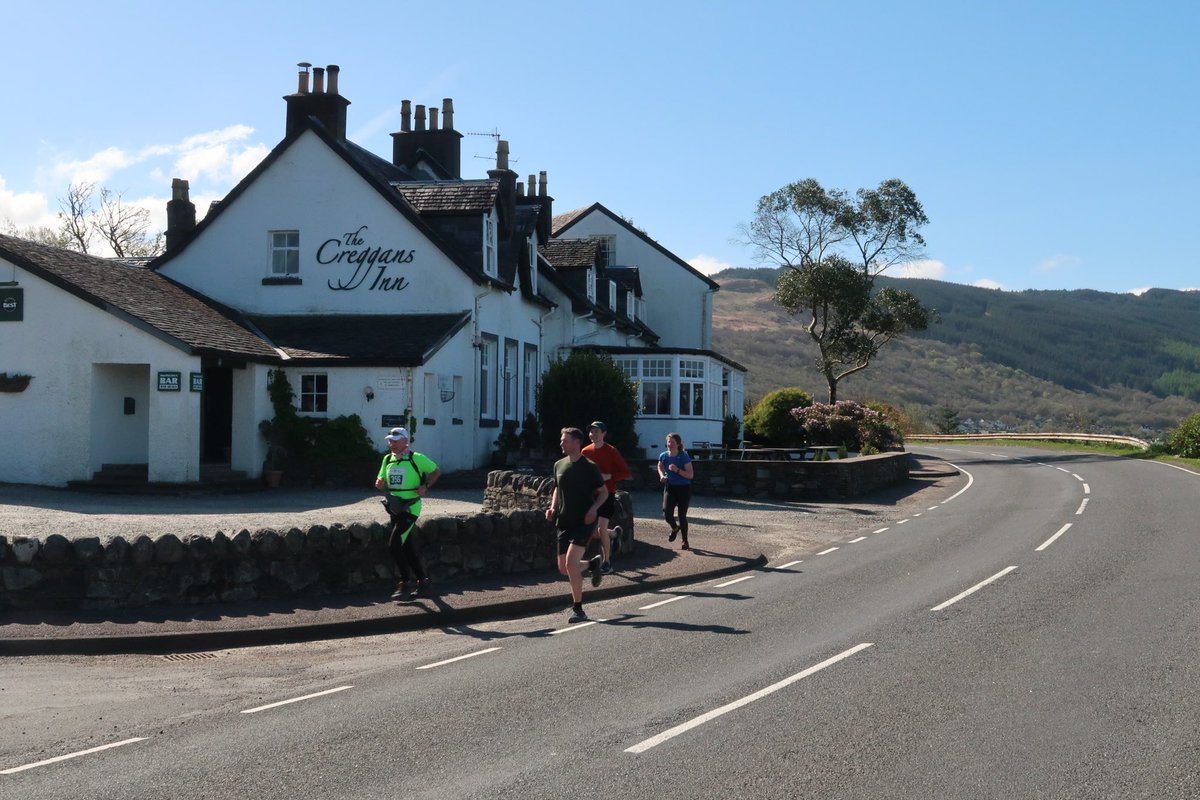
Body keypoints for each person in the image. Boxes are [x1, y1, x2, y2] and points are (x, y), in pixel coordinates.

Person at [545, 427, 609, 623]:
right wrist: (552, 507)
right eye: (561, 440)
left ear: (576, 443)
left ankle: (578, 609)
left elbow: (604, 492)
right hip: (564, 520)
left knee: (571, 564)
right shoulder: (559, 465)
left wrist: (593, 510)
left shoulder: (589, 466)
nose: (561, 443)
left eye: (565, 440)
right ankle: (592, 563)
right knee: (564, 568)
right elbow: (556, 488)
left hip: (584, 521)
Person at [375, 426, 441, 599]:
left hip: (411, 507)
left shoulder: (416, 458)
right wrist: (380, 483)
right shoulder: (387, 459)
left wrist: (425, 486)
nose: (391, 444)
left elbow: (436, 471)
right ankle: (423, 580)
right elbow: (381, 478)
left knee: (394, 544)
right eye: (390, 440)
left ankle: (405, 583)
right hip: (394, 507)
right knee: (406, 546)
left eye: (395, 441)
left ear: (405, 441)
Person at [581, 420, 631, 575]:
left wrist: (610, 476)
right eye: (591, 432)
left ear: (604, 434)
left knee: (601, 528)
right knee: (592, 530)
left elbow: (626, 473)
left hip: (608, 493)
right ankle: (613, 534)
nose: (593, 434)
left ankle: (607, 562)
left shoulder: (611, 451)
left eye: (597, 431)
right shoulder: (585, 451)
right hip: (591, 495)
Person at [657, 432, 694, 550]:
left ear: (678, 444)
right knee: (666, 512)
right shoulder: (664, 455)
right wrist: (662, 475)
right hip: (670, 487)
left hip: (684, 488)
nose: (670, 444)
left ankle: (685, 541)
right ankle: (674, 528)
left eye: (673, 442)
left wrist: (677, 470)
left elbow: (690, 475)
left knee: (681, 515)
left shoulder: (683, 456)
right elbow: (659, 465)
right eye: (669, 442)